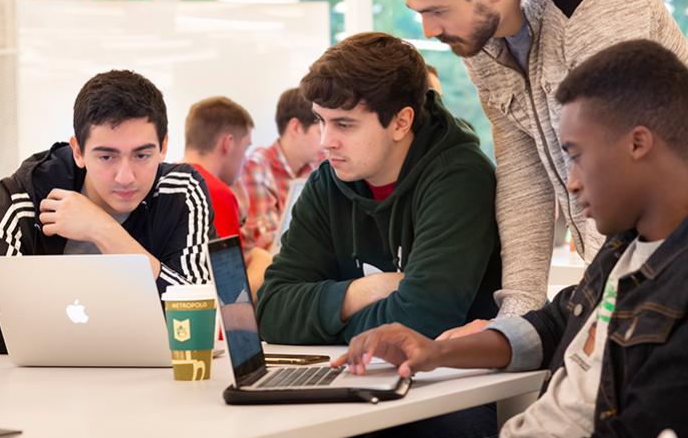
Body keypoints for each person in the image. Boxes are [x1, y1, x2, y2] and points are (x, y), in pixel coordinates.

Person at [335, 39, 688, 438]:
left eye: (576, 156)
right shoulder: (627, 246)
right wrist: (436, 352)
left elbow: (648, 430)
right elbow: (555, 323)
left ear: (638, 143)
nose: (571, 183)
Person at [386, 0, 688, 324]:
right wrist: (517, 310)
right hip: (620, 255)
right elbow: (522, 174)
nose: (429, 30)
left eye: (437, 11)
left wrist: (605, 298)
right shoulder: (479, 41)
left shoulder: (593, 1)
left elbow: (625, 160)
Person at [256, 32, 502, 345]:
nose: (325, 141)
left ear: (401, 122)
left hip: (449, 386)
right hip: (357, 376)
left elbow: (421, 320)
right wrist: (365, 290)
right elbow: (271, 310)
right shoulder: (328, 182)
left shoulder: (459, 180)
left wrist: (326, 321)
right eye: (321, 121)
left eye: (344, 124)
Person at [0, 70, 215, 355]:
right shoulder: (27, 193)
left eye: (142, 155)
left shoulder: (180, 192)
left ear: (164, 146)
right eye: (106, 157)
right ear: (78, 150)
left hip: (139, 388)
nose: (125, 176)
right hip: (32, 387)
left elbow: (199, 319)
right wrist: (107, 339)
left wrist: (103, 230)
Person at [183, 96, 272, 298]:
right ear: (228, 144)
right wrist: (262, 260)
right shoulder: (214, 191)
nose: (246, 160)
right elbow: (233, 298)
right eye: (246, 147)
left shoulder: (167, 183)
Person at [236, 88, 322, 250]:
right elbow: (272, 243)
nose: (326, 141)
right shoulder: (257, 168)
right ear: (295, 128)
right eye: (320, 131)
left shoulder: (317, 163)